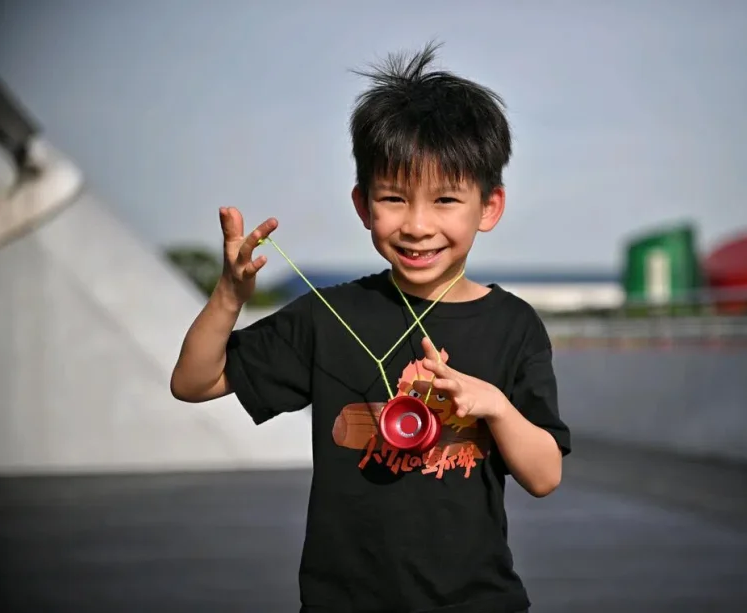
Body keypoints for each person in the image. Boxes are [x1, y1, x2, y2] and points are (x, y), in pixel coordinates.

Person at [170, 41, 571, 613]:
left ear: (489, 207)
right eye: (393, 198)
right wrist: (229, 297)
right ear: (362, 205)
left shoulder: (513, 325)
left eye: (446, 199)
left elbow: (544, 475)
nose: (416, 225)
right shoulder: (329, 314)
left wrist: (496, 406)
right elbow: (194, 382)